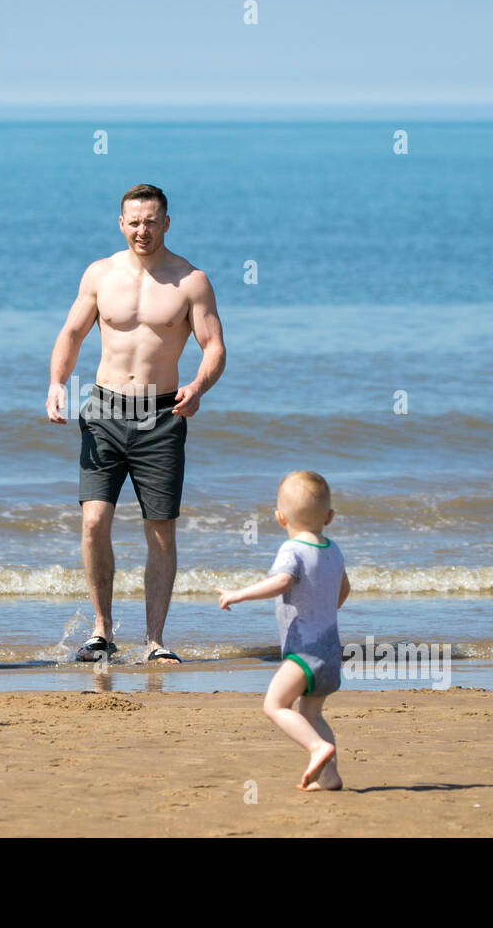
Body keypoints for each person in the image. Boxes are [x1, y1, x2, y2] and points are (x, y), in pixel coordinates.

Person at [46, 184, 226, 664]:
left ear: (167, 222)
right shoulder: (100, 274)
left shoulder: (191, 281)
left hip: (162, 413)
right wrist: (57, 384)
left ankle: (154, 641)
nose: (142, 230)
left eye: (151, 220)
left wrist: (199, 385)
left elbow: (214, 347)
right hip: (104, 408)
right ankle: (102, 631)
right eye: (134, 221)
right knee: (93, 520)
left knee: (160, 530)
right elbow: (71, 332)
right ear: (120, 223)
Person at [216, 471, 351, 791]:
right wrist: (326, 611)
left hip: (304, 652)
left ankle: (317, 748)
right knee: (313, 714)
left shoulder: (292, 550)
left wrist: (239, 594)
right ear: (329, 516)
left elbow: (282, 582)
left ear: (279, 517)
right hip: (331, 653)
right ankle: (329, 777)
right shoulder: (334, 550)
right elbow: (344, 589)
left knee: (274, 705)